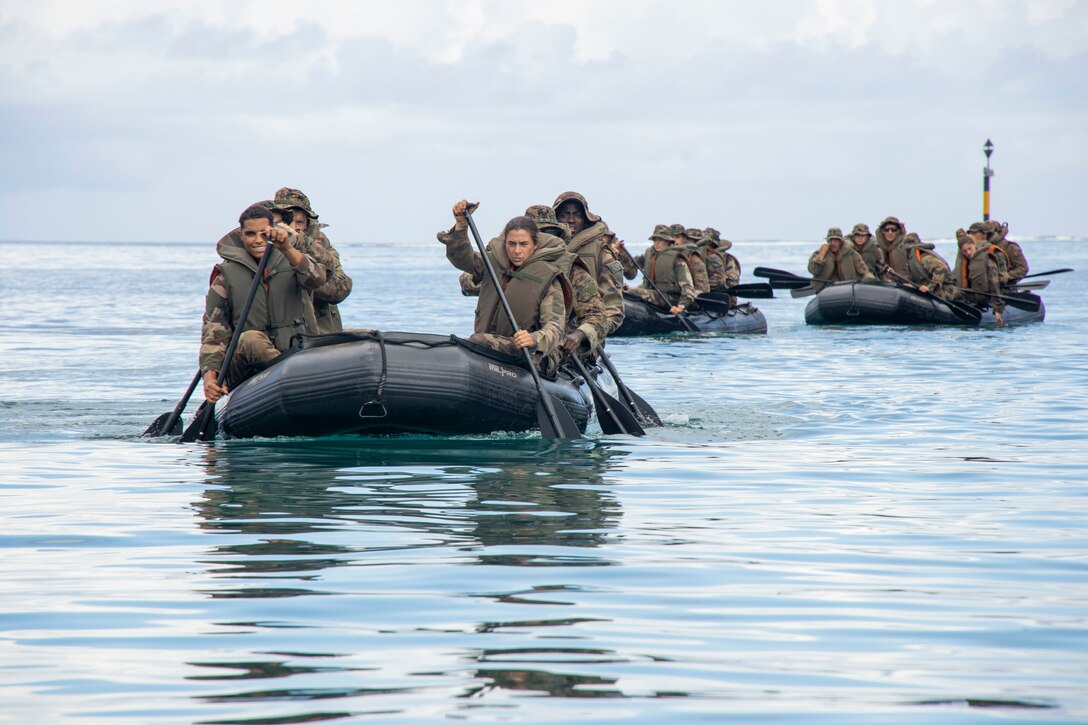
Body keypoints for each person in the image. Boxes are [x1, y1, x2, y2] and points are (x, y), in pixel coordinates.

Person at [200, 204, 328, 404]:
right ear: (241, 236)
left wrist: (286, 248)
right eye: (250, 234)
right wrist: (209, 378)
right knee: (252, 339)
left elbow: (317, 279)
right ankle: (291, 380)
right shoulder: (225, 275)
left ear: (273, 231)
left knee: (357, 335)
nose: (258, 240)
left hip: (295, 352)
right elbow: (213, 333)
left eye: (263, 233)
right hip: (245, 363)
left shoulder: (293, 258)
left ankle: (295, 380)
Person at [440, 200, 569, 375]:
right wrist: (461, 226)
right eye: (512, 244)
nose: (517, 251)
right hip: (490, 347)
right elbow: (461, 258)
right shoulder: (491, 263)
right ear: (504, 243)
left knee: (478, 341)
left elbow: (555, 328)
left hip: (532, 354)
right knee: (475, 342)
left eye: (523, 244)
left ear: (535, 245)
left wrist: (534, 338)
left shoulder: (548, 278)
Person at [524, 204, 608, 358]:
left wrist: (579, 335)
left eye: (551, 233)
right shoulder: (510, 266)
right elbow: (470, 284)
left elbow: (599, 318)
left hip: (553, 347)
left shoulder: (573, 271)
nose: (546, 239)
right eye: (540, 233)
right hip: (514, 341)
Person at [273, 187, 353, 334]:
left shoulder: (319, 245)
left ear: (308, 224)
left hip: (322, 336)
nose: (293, 228)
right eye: (287, 221)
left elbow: (341, 288)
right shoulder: (264, 246)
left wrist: (306, 269)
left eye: (299, 222)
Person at [552, 192, 626, 337]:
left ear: (586, 220)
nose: (571, 220)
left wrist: (585, 333)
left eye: (577, 215)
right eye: (564, 215)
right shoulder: (541, 249)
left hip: (581, 339)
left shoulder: (601, 253)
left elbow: (614, 311)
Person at [625, 225, 697, 314]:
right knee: (627, 291)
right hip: (655, 294)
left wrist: (681, 306)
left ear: (668, 241)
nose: (657, 243)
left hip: (671, 298)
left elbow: (688, 287)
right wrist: (622, 254)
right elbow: (632, 267)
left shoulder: (677, 259)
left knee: (635, 292)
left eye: (660, 240)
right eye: (655, 240)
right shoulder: (649, 255)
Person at [952, 229, 1005, 325]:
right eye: (965, 251)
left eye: (970, 248)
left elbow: (994, 283)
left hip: (985, 297)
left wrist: (997, 308)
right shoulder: (964, 262)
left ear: (974, 245)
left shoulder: (986, 258)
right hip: (969, 297)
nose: (968, 253)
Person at [807, 227, 873, 291]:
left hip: (849, 287)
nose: (833, 243)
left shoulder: (850, 253)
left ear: (840, 241)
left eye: (836, 240)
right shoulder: (819, 253)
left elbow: (862, 269)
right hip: (827, 288)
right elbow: (813, 270)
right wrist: (820, 257)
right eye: (830, 240)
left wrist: (869, 277)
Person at [901, 232, 953, 298]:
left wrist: (929, 287)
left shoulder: (924, 257)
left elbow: (941, 267)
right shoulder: (915, 259)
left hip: (946, 292)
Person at [673, 224, 710, 294]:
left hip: (689, 297)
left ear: (684, 239)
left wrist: (688, 295)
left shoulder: (694, 258)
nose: (674, 241)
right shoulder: (666, 256)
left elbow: (703, 289)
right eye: (671, 237)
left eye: (677, 237)